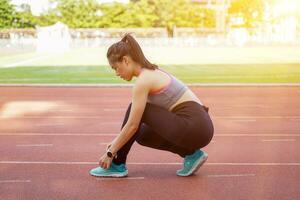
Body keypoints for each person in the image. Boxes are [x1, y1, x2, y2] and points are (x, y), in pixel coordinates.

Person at [89, 33, 214, 177]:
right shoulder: (150, 73)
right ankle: (191, 154)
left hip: (196, 126)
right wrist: (117, 141)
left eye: (115, 68)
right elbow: (135, 128)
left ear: (125, 60)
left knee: (135, 112)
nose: (117, 73)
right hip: (199, 128)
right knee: (142, 134)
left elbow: (132, 124)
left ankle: (117, 164)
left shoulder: (144, 80)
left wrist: (111, 152)